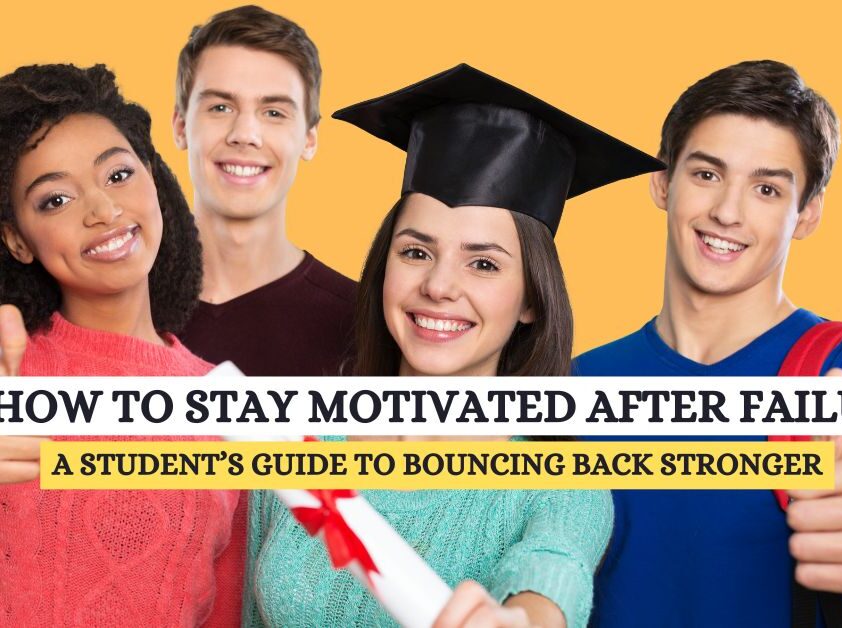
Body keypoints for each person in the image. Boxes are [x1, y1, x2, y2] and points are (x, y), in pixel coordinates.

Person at [242, 64, 663, 628]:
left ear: (531, 300)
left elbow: (551, 574)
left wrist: (518, 620)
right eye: (416, 252)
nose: (438, 286)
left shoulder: (559, 485)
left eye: (483, 263)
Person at [575, 60, 842, 627]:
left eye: (767, 189)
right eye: (707, 174)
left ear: (807, 214)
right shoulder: (577, 382)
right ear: (662, 182)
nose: (727, 212)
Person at [0, 64, 240, 625]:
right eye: (55, 200)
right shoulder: (11, 369)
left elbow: (226, 611)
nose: (103, 211)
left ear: (152, 176)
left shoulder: (227, 403)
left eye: (118, 175)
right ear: (16, 240)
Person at [172, 5, 356, 376]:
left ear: (309, 140)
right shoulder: (114, 303)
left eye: (274, 113)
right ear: (180, 126)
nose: (245, 134)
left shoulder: (361, 324)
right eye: (220, 107)